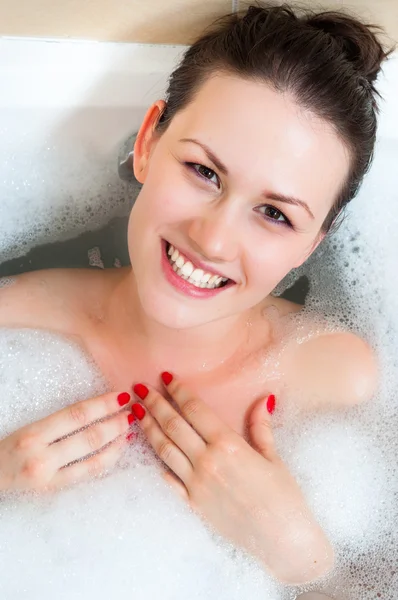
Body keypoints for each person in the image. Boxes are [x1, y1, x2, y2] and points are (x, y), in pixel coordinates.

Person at [0, 1, 392, 588]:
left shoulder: (336, 379)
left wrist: (301, 555)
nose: (212, 238)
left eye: (274, 214)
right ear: (148, 144)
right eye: (204, 172)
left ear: (312, 245)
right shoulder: (15, 322)